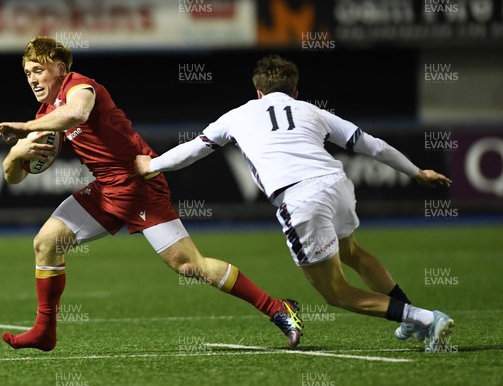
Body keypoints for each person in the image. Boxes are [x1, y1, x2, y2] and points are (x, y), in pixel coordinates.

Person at [0, 38, 302, 352]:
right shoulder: (46, 115)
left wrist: (27, 126)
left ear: (59, 69)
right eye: (28, 73)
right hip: (105, 191)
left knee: (189, 266)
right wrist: (14, 156)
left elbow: (79, 113)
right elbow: (15, 178)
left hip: (139, 185)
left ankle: (276, 307)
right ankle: (45, 331)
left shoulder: (80, 87)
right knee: (46, 242)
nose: (32, 78)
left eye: (38, 71)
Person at [134, 54, 455, 353]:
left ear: (258, 91)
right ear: (295, 91)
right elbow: (374, 146)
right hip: (337, 183)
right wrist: (417, 172)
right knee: (352, 252)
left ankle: (426, 318)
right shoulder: (312, 110)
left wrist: (152, 165)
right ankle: (413, 317)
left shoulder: (238, 114)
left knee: (337, 293)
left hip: (301, 198)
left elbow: (192, 150)